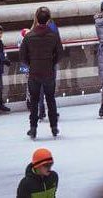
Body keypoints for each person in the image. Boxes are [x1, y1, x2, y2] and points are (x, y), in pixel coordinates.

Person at [19, 7, 63, 139]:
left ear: (36, 19)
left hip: (34, 73)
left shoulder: (29, 36)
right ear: (48, 19)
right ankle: (54, 127)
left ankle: (33, 128)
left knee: (34, 101)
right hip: (48, 72)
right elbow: (60, 54)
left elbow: (22, 56)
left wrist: (32, 64)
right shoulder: (53, 35)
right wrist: (51, 62)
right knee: (51, 100)